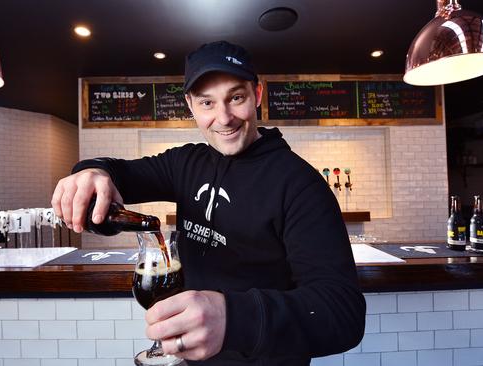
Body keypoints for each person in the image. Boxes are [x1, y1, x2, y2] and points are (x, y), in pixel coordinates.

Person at [52, 40, 365, 365]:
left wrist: (233, 319)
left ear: (257, 94)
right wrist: (91, 172)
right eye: (207, 103)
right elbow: (120, 173)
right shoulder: (186, 163)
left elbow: (342, 313)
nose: (224, 118)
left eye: (236, 98)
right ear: (190, 104)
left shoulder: (300, 184)